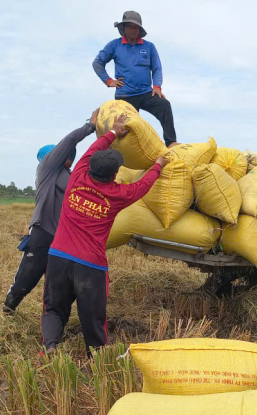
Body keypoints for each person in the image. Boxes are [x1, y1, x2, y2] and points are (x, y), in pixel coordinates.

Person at [42, 113, 168, 355]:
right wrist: (158, 165)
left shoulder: (77, 176)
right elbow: (142, 186)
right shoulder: (117, 195)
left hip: (58, 256)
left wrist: (111, 133)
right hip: (91, 266)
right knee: (92, 314)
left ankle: (50, 346)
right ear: (114, 176)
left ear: (89, 166)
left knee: (53, 308)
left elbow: (92, 148)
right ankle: (97, 355)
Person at [2, 109, 100, 315]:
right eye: (64, 154)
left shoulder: (69, 175)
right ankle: (9, 306)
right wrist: (90, 126)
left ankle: (52, 318)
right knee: (28, 274)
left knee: (57, 282)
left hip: (64, 238)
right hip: (44, 231)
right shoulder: (47, 168)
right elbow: (69, 141)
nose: (70, 157)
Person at [93, 11, 178, 147]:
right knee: (127, 127)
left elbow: (157, 68)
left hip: (146, 92)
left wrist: (157, 87)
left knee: (164, 105)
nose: (133, 30)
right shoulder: (114, 45)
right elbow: (97, 63)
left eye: (135, 27)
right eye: (129, 26)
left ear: (140, 29)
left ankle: (171, 142)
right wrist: (109, 81)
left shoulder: (149, 47)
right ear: (124, 28)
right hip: (125, 95)